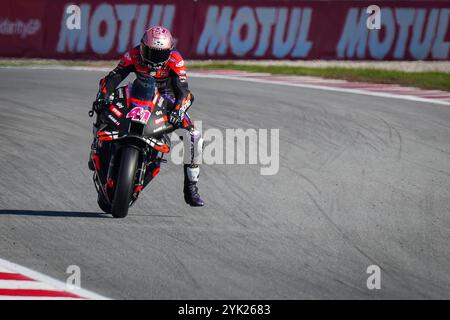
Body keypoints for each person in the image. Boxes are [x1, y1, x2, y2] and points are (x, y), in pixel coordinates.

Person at [89, 26, 204, 207]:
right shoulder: (133, 55)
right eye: (149, 51)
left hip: (165, 98)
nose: (153, 58)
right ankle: (96, 143)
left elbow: (183, 91)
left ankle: (191, 186)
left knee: (194, 136)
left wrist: (177, 111)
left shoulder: (176, 60)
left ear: (169, 51)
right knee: (104, 104)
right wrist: (102, 97)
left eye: (159, 54)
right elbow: (113, 77)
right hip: (137, 94)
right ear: (142, 46)